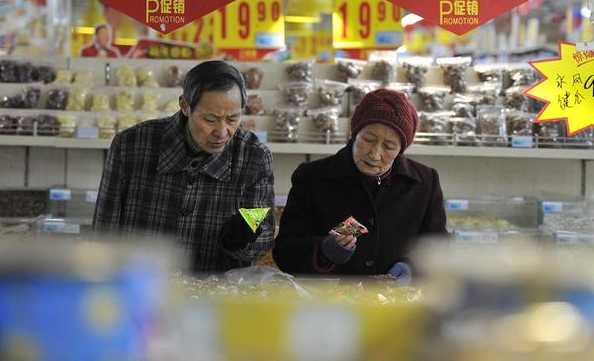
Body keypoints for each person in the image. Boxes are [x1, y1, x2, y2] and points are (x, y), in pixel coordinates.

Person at [93, 61, 275, 274]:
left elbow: (263, 239)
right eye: (210, 119)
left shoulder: (254, 157)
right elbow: (104, 232)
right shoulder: (132, 144)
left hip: (216, 289)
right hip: (142, 283)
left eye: (232, 119)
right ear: (185, 106)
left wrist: (243, 239)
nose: (222, 131)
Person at [273, 89, 447, 284]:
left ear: (401, 150)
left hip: (399, 299)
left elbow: (439, 249)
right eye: (369, 139)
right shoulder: (311, 177)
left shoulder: (425, 182)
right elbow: (284, 252)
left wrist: (411, 268)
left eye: (389, 146)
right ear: (354, 133)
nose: (375, 154)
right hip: (329, 299)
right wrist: (322, 251)